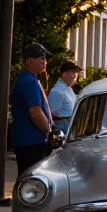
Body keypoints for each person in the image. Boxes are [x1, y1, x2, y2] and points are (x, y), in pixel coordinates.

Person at [10, 43, 54, 174]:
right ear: (29, 60)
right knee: (32, 179)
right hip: (32, 142)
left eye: (45, 58)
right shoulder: (29, 81)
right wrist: (49, 131)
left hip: (30, 141)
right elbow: (36, 114)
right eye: (41, 57)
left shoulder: (30, 79)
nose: (44, 61)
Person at [48, 59, 82, 132]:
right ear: (64, 73)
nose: (75, 76)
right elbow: (51, 116)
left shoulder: (68, 88)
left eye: (76, 73)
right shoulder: (57, 91)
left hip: (69, 127)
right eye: (73, 72)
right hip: (61, 129)